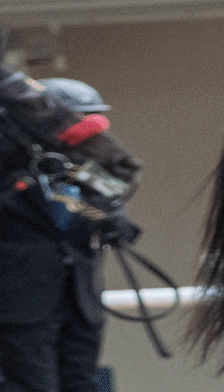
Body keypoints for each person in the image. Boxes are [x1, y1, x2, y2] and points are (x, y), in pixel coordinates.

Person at [0, 71, 140, 392]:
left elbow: (113, 194)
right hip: (23, 303)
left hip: (79, 297)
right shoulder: (10, 169)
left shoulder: (84, 170)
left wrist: (114, 219)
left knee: (82, 383)